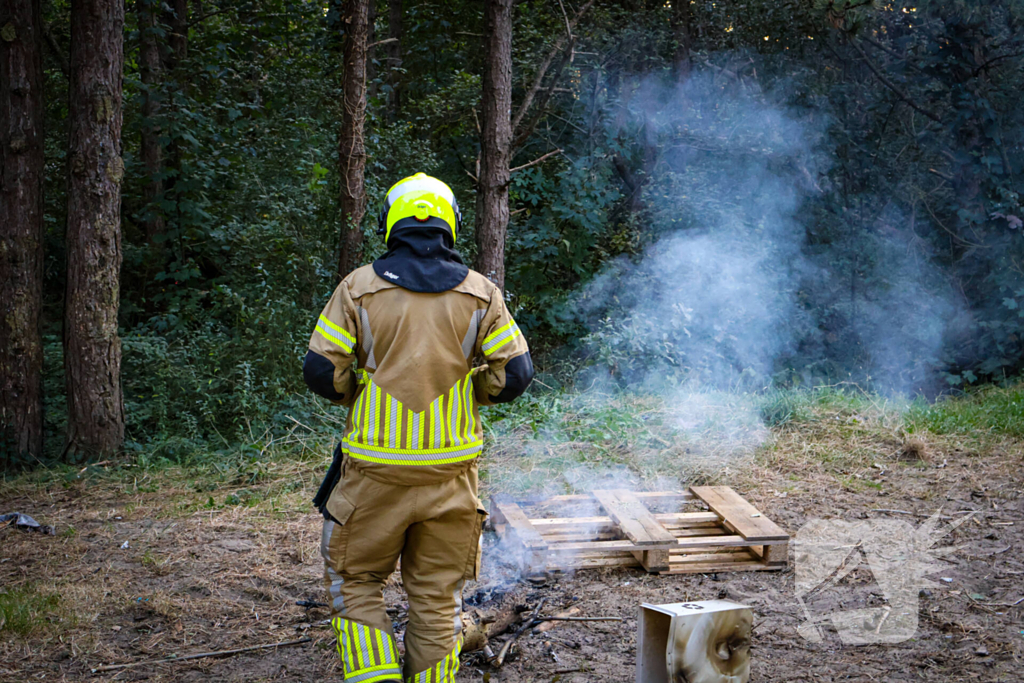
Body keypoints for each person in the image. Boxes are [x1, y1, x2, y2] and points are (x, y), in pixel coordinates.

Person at [303, 173, 534, 683]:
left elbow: (322, 371)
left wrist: (360, 390)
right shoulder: (480, 293)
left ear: (392, 223)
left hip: (372, 477)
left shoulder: (358, 288)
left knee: (355, 580)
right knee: (437, 594)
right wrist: (469, 389)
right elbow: (515, 374)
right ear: (449, 224)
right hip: (450, 479)